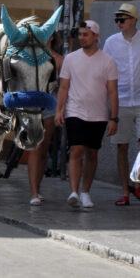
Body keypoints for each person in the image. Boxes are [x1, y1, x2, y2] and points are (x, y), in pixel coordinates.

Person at [103, 3, 140, 205]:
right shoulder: (111, 42)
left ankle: (138, 183)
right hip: (120, 100)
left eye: (123, 19)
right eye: (117, 20)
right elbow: (106, 73)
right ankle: (125, 191)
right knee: (122, 146)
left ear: (134, 20)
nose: (119, 23)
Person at [55, 20, 118, 209]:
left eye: (86, 34)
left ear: (96, 37)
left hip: (98, 115)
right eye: (80, 34)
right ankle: (73, 191)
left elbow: (113, 91)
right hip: (75, 111)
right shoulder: (71, 59)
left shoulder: (108, 61)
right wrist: (60, 109)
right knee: (76, 150)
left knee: (92, 153)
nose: (82, 38)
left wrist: (114, 117)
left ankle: (85, 192)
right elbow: (64, 86)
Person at [28, 32, 64, 206]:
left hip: (49, 106)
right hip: (32, 106)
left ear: (51, 38)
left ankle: (38, 187)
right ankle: (33, 191)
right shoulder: (30, 57)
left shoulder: (59, 60)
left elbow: (63, 86)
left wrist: (60, 108)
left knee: (43, 150)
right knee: (35, 148)